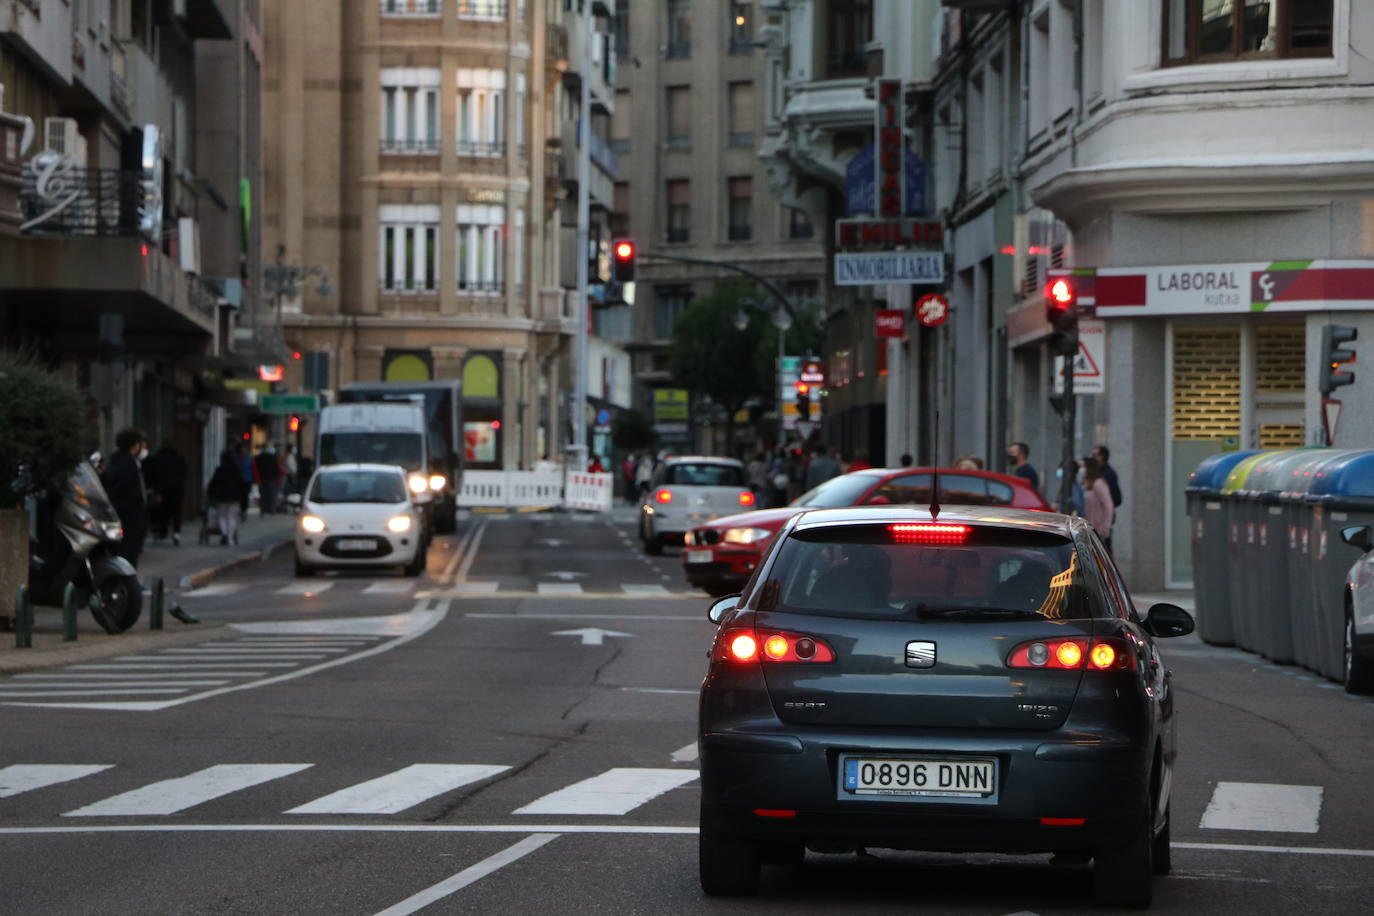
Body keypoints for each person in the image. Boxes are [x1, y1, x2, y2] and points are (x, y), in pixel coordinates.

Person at [101, 427, 148, 568]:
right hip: (129, 515)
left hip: (120, 512)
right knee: (130, 550)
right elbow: (125, 488)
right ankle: (129, 583)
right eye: (140, 444)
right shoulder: (128, 464)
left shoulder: (115, 461)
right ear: (134, 445)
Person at [145, 441, 188, 545]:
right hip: (177, 490)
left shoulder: (158, 460)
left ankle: (163, 532)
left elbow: (154, 475)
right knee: (176, 512)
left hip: (163, 490)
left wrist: (156, 491)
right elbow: (184, 473)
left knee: (163, 512)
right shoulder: (179, 459)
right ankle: (176, 532)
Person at [206, 449, 247, 546]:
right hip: (235, 497)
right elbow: (243, 486)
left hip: (221, 497)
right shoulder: (238, 470)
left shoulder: (219, 470)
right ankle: (230, 539)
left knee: (221, 517)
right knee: (232, 518)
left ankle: (224, 534)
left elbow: (213, 484)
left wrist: (211, 494)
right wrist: (243, 501)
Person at [1082, 456, 1115, 553]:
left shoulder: (1099, 484)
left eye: (1084, 467)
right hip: (1089, 530)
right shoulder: (1087, 484)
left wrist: (1105, 527)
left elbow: (1108, 505)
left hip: (1098, 530)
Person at [1092, 444, 1123, 508]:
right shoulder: (1094, 472)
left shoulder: (1109, 474)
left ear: (1102, 457)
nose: (1092, 458)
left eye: (1095, 455)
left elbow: (1117, 498)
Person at [255, 444, 283, 514]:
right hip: (270, 478)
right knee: (270, 494)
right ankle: (269, 509)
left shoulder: (259, 458)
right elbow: (277, 468)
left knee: (264, 494)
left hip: (265, 478)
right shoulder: (272, 458)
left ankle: (264, 509)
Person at [236, 443, 254, 520]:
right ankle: (241, 510)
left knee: (245, 496)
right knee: (240, 496)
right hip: (239, 480)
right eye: (242, 451)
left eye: (244, 450)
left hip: (247, 480)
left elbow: (253, 469)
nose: (243, 452)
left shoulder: (250, 459)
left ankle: (244, 511)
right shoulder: (237, 459)